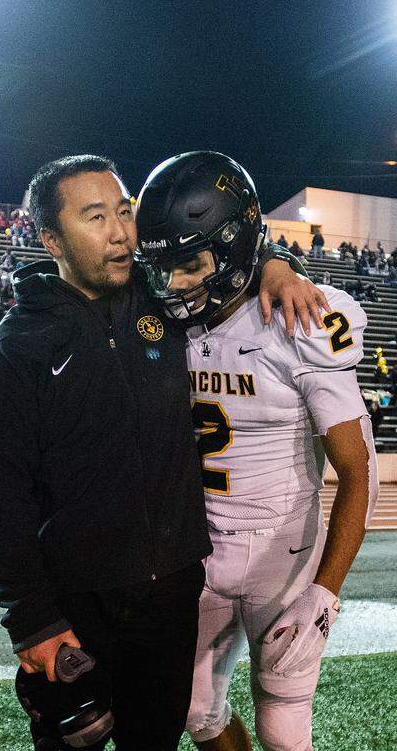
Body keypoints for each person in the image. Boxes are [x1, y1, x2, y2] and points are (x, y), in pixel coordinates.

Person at [0, 154, 328, 751]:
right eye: (94, 217)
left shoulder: (165, 297)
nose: (119, 232)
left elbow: (222, 250)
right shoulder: (17, 350)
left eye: (124, 211)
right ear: (50, 238)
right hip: (75, 607)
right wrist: (32, 619)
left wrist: (277, 264)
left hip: (172, 594)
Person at [133, 151, 378, 751]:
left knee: (284, 728)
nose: (176, 286)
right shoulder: (165, 321)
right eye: (166, 269)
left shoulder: (301, 319)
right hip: (196, 553)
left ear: (238, 242)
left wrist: (325, 594)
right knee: (194, 712)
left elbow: (359, 470)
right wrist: (274, 259)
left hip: (284, 558)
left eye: (191, 264)